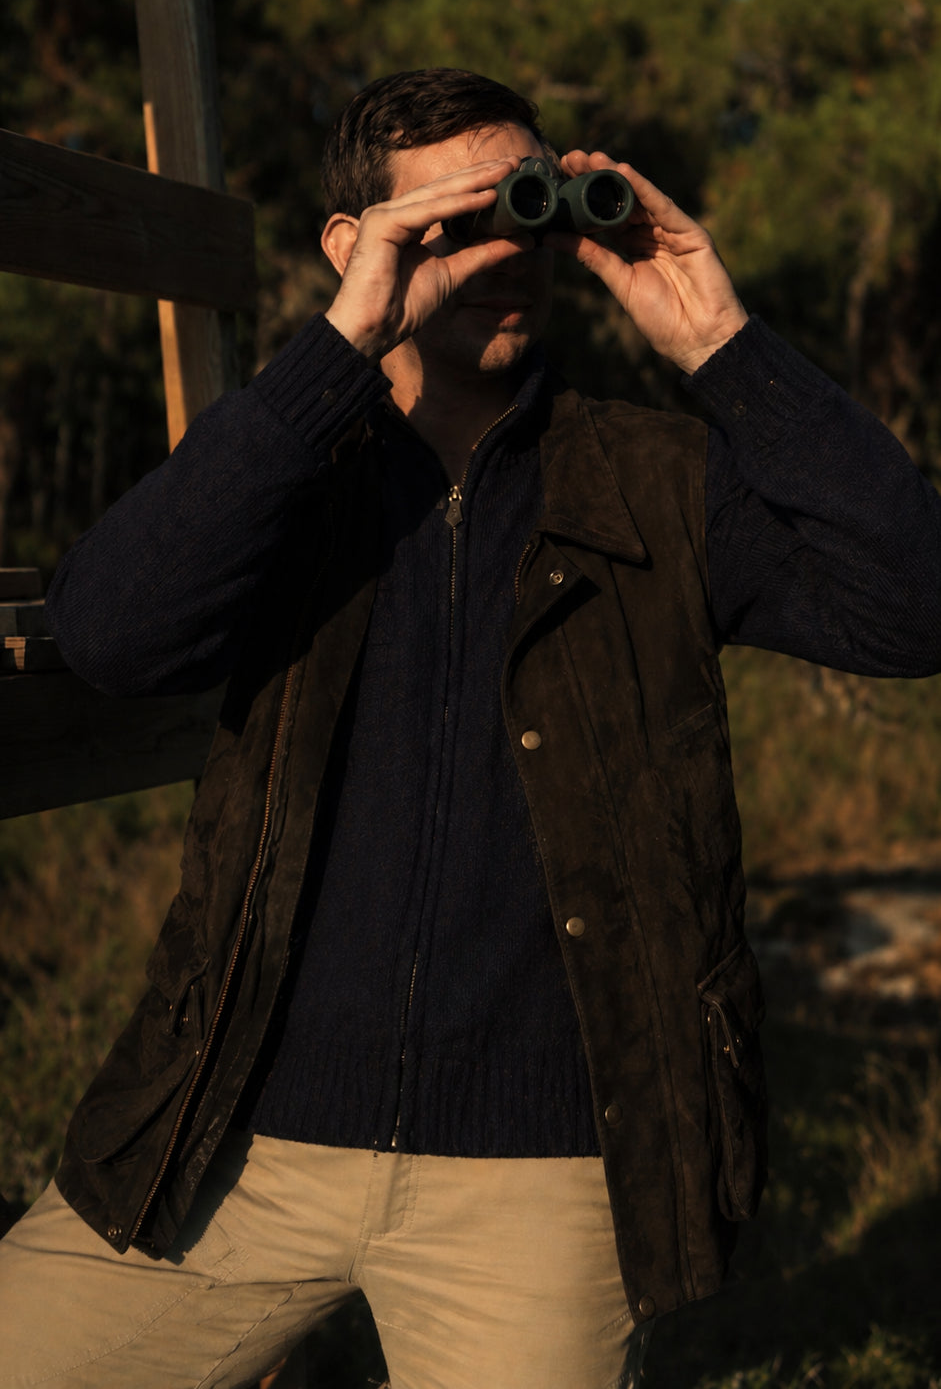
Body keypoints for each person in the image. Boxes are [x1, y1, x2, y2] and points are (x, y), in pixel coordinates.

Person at [2, 67, 940, 1389]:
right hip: (231, 1131)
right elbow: (107, 633)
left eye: (526, 210)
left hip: (538, 1168)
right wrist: (333, 355)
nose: (504, 254)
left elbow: (913, 609)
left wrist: (720, 341)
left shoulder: (653, 481)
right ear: (354, 244)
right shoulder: (287, 474)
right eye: (455, 222)